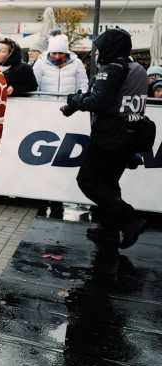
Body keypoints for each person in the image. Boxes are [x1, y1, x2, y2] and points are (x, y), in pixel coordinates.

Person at [60, 28, 149, 249]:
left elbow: (97, 101)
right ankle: (110, 230)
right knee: (109, 183)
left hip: (110, 133)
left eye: (100, 48)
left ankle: (130, 219)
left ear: (111, 47)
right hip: (132, 132)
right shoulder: (137, 68)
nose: (97, 53)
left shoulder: (112, 68)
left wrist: (75, 100)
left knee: (88, 181)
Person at [33, 33, 87, 219]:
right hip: (45, 113)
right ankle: (41, 194)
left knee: (63, 153)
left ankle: (58, 198)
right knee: (45, 152)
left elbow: (84, 86)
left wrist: (77, 104)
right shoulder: (40, 63)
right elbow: (35, 86)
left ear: (66, 53)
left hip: (68, 112)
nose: (56, 57)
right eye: (54, 53)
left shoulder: (77, 64)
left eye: (60, 54)